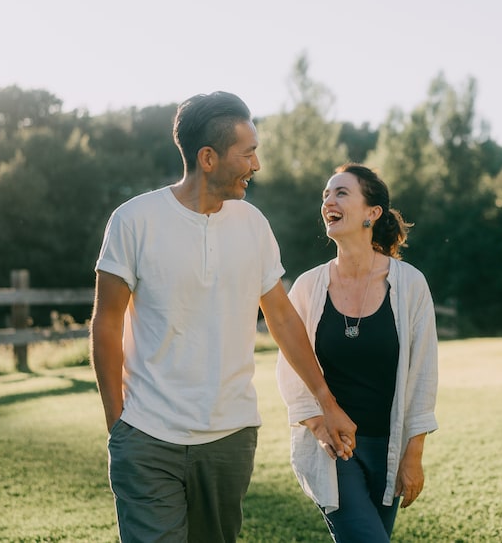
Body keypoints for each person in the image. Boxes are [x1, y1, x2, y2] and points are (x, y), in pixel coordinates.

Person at [90, 91, 357, 543]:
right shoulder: (134, 220)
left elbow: (283, 319)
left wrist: (326, 404)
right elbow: (107, 322)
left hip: (229, 437)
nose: (257, 165)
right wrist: (119, 424)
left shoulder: (253, 224)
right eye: (248, 153)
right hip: (148, 436)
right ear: (208, 158)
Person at [276, 163, 439, 543]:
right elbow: (289, 364)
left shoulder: (410, 285)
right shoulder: (308, 286)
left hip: (389, 447)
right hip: (334, 449)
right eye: (326, 195)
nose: (328, 201)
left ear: (372, 212)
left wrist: (412, 455)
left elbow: (423, 374)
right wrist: (319, 425)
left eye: (341, 193)